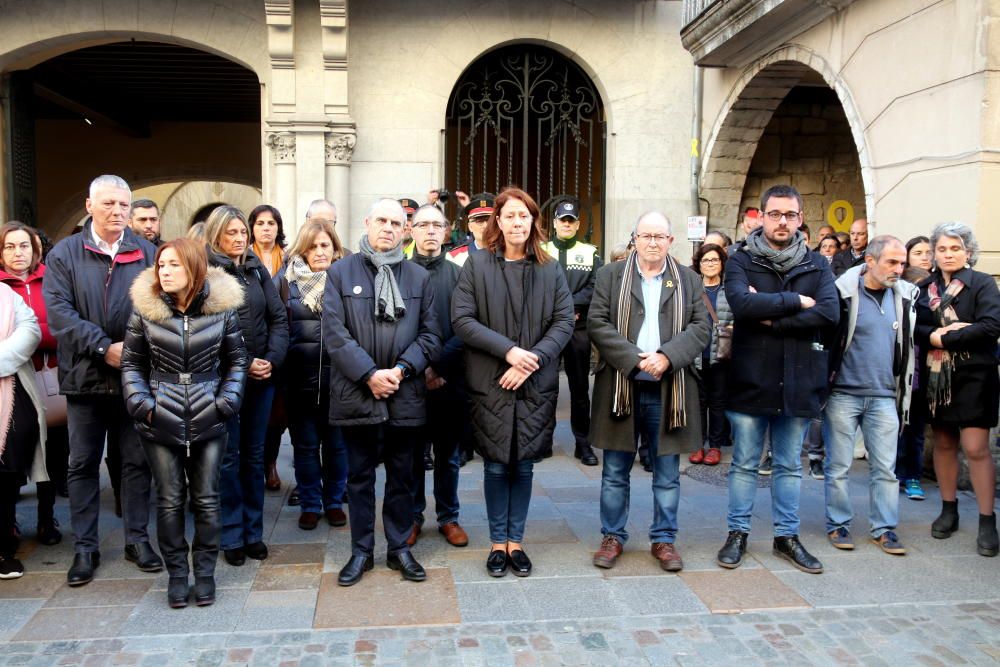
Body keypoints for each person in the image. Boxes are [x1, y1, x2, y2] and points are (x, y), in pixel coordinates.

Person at [44, 175, 161, 586]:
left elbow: (158, 310)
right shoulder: (65, 254)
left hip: (133, 377)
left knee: (135, 462)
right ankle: (85, 548)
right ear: (90, 206)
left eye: (123, 205)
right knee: (82, 464)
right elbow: (59, 313)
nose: (117, 212)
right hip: (84, 378)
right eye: (109, 204)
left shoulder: (147, 252)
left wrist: (127, 350)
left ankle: (137, 539)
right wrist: (102, 347)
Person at [716, 184, 839, 574]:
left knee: (789, 465)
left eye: (789, 215)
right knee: (744, 464)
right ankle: (737, 534)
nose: (782, 221)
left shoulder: (818, 264)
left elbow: (830, 314)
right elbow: (741, 303)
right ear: (762, 217)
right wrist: (796, 303)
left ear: (800, 219)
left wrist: (770, 317)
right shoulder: (741, 260)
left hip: (800, 379)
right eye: (774, 214)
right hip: (751, 378)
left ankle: (787, 536)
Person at [452, 187, 573, 578]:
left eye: (524, 216)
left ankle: (516, 542)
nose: (517, 222)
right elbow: (463, 320)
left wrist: (530, 359)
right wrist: (509, 352)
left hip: (535, 381)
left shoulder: (550, 267)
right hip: (492, 380)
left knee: (523, 466)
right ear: (497, 223)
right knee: (495, 466)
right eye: (510, 216)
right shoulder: (477, 265)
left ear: (533, 221)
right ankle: (497, 542)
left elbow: (563, 321)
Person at [121, 239, 248, 608]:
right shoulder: (145, 312)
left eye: (174, 265)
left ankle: (204, 573)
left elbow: (237, 360)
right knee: (170, 499)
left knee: (208, 500)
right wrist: (143, 405)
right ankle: (177, 575)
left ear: (193, 268)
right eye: (161, 265)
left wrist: (226, 402)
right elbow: (131, 364)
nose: (165, 271)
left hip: (210, 414)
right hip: (159, 415)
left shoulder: (222, 311)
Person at [323, 198, 441, 586]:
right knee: (358, 478)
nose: (389, 228)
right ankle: (360, 552)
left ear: (405, 231)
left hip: (404, 393)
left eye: (397, 222)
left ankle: (398, 549)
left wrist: (401, 370)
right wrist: (370, 374)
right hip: (357, 394)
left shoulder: (419, 278)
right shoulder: (341, 272)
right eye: (382, 221)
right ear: (367, 222)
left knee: (402, 476)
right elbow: (335, 335)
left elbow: (430, 335)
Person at [588, 212, 709, 572]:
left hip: (670, 389)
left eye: (660, 236)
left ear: (671, 241)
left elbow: (702, 328)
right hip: (620, 385)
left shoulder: (688, 280)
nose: (653, 242)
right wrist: (634, 359)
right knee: (614, 471)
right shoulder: (610, 276)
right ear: (634, 239)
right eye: (646, 235)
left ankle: (665, 539)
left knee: (667, 472)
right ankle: (612, 536)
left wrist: (668, 357)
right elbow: (597, 322)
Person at [204, 205, 288, 567]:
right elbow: (207, 331)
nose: (240, 239)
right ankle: (231, 533)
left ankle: (254, 532)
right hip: (225, 381)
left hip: (261, 379)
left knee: (254, 457)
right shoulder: (205, 274)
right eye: (232, 233)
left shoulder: (255, 269)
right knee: (228, 458)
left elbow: (278, 318)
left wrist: (271, 358)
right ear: (216, 236)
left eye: (242, 232)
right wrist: (243, 363)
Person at [824, 235, 916, 556]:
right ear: (871, 261)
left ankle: (884, 528)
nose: (898, 269)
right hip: (843, 395)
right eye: (892, 262)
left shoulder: (903, 297)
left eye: (902, 263)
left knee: (885, 468)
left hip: (884, 396)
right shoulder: (843, 294)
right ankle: (838, 523)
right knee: (838, 465)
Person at [915, 222, 1000, 557]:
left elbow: (991, 327)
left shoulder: (982, 284)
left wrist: (943, 336)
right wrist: (935, 335)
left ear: (968, 251)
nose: (948, 254)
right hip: (938, 378)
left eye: (955, 248)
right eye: (942, 248)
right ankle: (948, 509)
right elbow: (914, 327)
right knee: (944, 442)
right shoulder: (924, 287)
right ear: (934, 253)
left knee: (976, 447)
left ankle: (987, 519)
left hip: (976, 375)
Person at [405, 204, 469, 548]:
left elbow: (466, 326)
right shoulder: (398, 273)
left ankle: (448, 517)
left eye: (437, 225)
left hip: (449, 380)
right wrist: (420, 367)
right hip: (411, 379)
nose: (430, 231)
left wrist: (439, 367)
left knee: (448, 455)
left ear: (446, 232)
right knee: (413, 453)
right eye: (423, 225)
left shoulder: (460, 275)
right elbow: (396, 329)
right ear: (411, 231)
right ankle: (413, 516)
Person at [280, 220, 348, 530]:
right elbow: (277, 328)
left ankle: (333, 501)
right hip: (300, 383)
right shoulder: (286, 283)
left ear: (335, 248)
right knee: (305, 449)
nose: (319, 251)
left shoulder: (348, 282)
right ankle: (309, 503)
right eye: (313, 245)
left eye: (325, 245)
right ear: (302, 249)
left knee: (337, 448)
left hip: (339, 384)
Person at [0, 222, 63, 545]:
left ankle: (46, 519)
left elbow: (59, 328)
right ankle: (8, 522)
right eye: (9, 247)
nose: (17, 253)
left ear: (35, 249)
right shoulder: (1, 288)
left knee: (52, 455)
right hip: (13, 384)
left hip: (52, 380)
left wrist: (33, 333)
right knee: (10, 456)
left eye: (24, 245)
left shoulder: (51, 281)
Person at [540, 199, 602, 465]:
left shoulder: (590, 254)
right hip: (546, 330)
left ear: (578, 224)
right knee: (545, 388)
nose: (566, 224)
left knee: (579, 389)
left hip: (578, 329)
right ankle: (543, 442)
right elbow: (534, 286)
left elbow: (595, 286)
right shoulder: (539, 250)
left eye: (571, 220)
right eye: (562, 220)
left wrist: (568, 308)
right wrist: (562, 310)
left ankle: (583, 444)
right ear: (554, 223)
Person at [0, 283, 48, 579]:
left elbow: (30, 331)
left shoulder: (5, 293)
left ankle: (4, 548)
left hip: (11, 391)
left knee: (4, 475)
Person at [248, 204, 287, 494]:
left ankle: (270, 462)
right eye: (260, 223)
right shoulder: (243, 258)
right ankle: (252, 464)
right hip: (250, 345)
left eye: (271, 223)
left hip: (281, 342)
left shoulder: (288, 258)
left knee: (277, 413)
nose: (266, 228)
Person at [688, 243, 732, 467]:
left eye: (715, 260)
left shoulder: (729, 289)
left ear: (722, 263)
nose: (710, 264)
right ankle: (697, 444)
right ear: (699, 264)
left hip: (720, 355)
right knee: (697, 402)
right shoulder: (693, 289)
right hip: (696, 354)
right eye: (706, 260)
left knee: (717, 403)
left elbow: (737, 316)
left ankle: (714, 446)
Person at [447, 193, 495, 268]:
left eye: (490, 220)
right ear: (470, 226)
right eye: (479, 221)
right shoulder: (454, 258)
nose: (485, 226)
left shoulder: (510, 254)